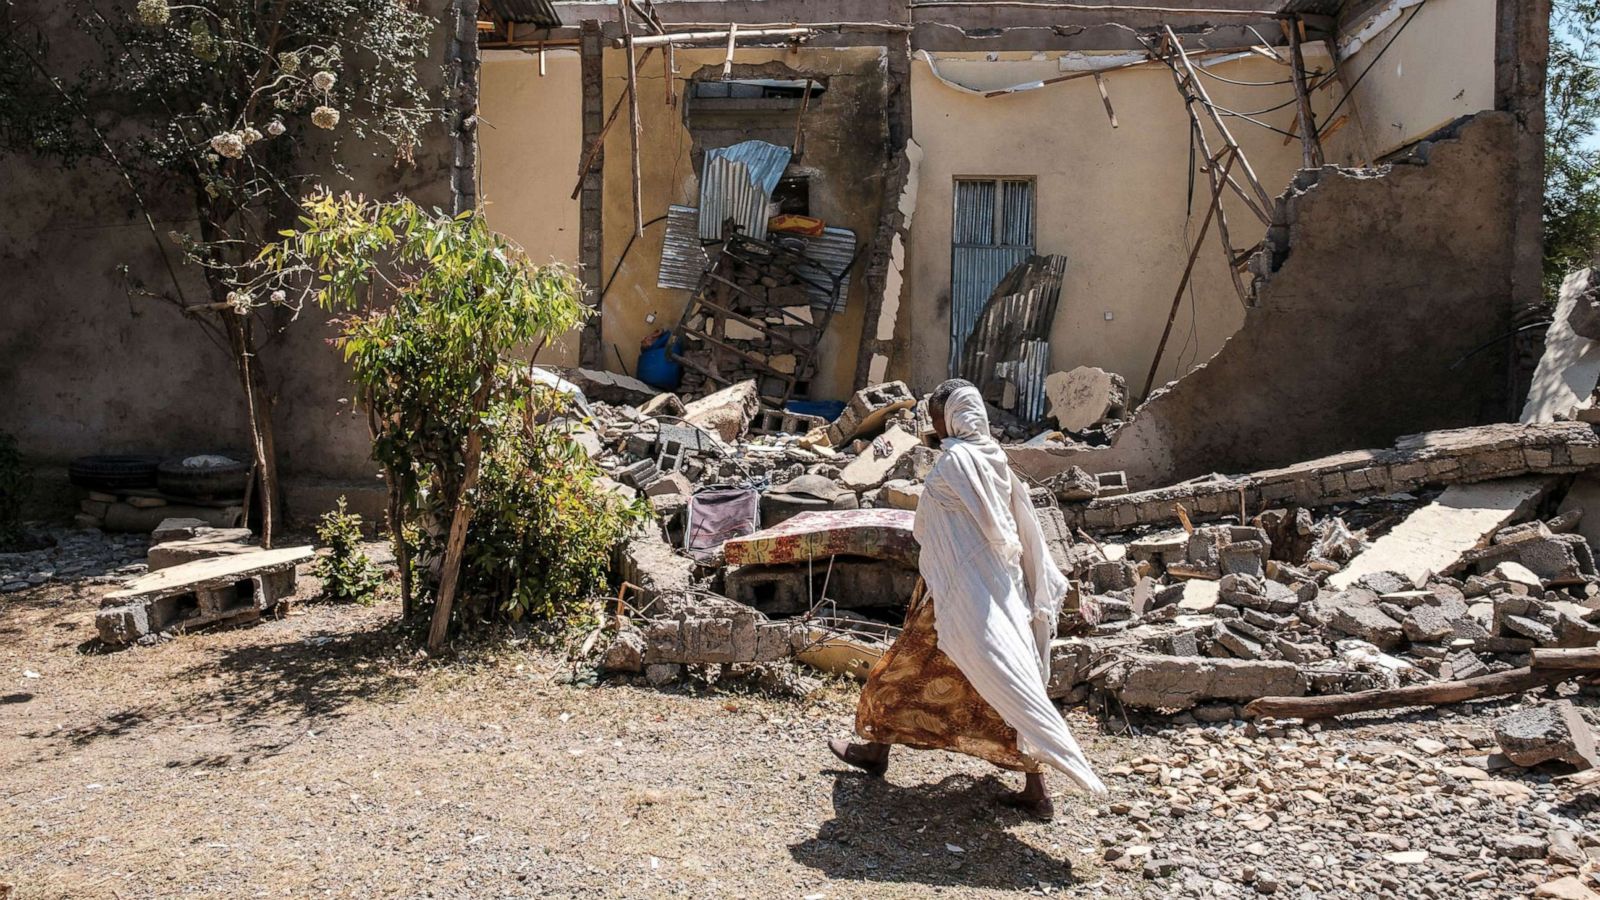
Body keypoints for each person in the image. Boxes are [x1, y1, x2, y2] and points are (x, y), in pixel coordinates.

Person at [828, 379, 1105, 819]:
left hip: (955, 596)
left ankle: (876, 752)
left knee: (902, 675)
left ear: (954, 417)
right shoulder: (994, 456)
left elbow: (929, 523)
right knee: (1003, 684)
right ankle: (1032, 788)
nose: (935, 427)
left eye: (938, 418)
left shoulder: (956, 461)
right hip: (992, 591)